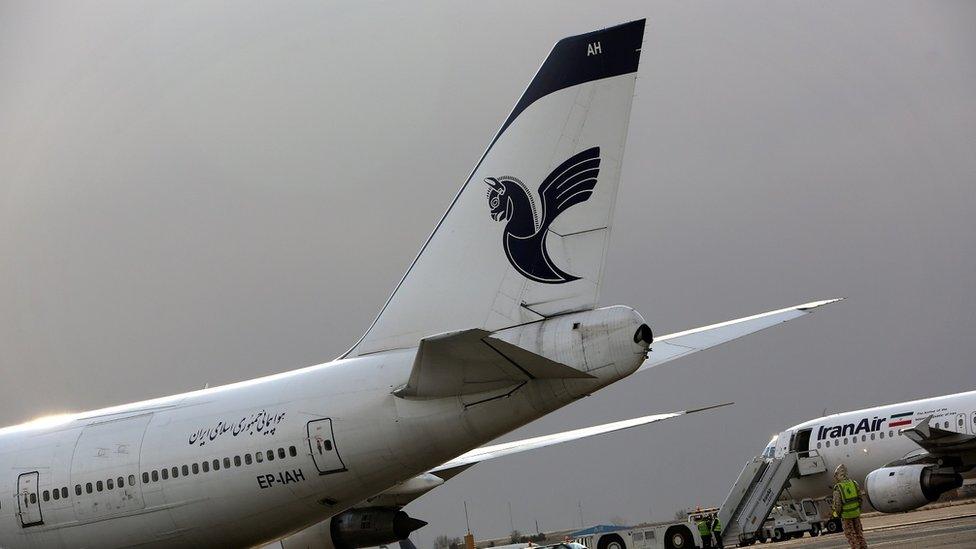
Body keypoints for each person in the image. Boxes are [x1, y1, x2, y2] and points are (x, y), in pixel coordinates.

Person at [832, 463, 868, 548]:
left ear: (838, 476)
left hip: (846, 515)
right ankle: (863, 546)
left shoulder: (838, 488)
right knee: (859, 532)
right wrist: (857, 509)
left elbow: (837, 504)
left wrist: (839, 513)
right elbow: (860, 498)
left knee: (850, 534)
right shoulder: (854, 484)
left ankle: (856, 547)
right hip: (856, 513)